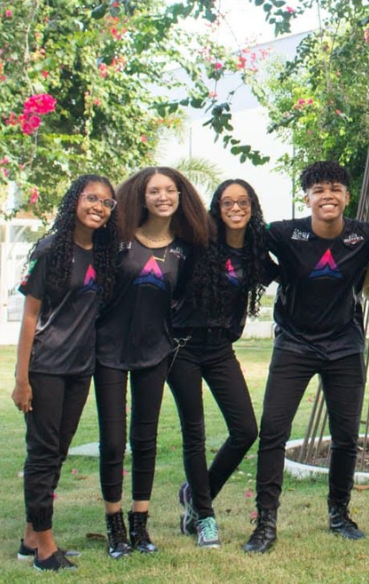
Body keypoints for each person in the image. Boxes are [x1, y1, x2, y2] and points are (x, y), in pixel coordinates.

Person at [243, 161, 369, 554]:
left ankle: (339, 513)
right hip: (294, 344)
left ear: (347, 197)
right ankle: (266, 522)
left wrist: (365, 275)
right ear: (306, 198)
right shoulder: (284, 232)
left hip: (344, 346)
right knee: (273, 431)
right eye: (319, 189)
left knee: (346, 437)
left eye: (336, 189)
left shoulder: (365, 234)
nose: (328, 195)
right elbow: (246, 243)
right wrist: (278, 276)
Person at [94, 167, 210, 558]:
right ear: (141, 197)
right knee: (113, 442)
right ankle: (115, 528)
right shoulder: (118, 238)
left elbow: (185, 297)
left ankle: (140, 526)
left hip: (156, 351)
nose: (163, 197)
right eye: (154, 191)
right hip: (109, 350)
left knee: (145, 441)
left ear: (180, 196)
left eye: (170, 190)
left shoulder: (185, 249)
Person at [12, 175, 119, 571]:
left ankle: (30, 539)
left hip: (79, 369)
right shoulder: (51, 249)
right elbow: (30, 317)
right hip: (46, 368)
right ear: (75, 200)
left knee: (56, 453)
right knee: (43, 455)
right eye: (91, 198)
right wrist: (21, 379)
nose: (98, 207)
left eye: (106, 203)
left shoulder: (103, 254)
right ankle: (45, 550)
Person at [168, 179, 274, 548]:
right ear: (217, 208)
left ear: (252, 207)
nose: (235, 208)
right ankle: (205, 518)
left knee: (245, 430)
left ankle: (196, 495)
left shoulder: (256, 252)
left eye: (243, 201)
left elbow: (294, 271)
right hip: (183, 347)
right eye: (227, 202)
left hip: (220, 349)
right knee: (194, 432)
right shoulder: (198, 245)